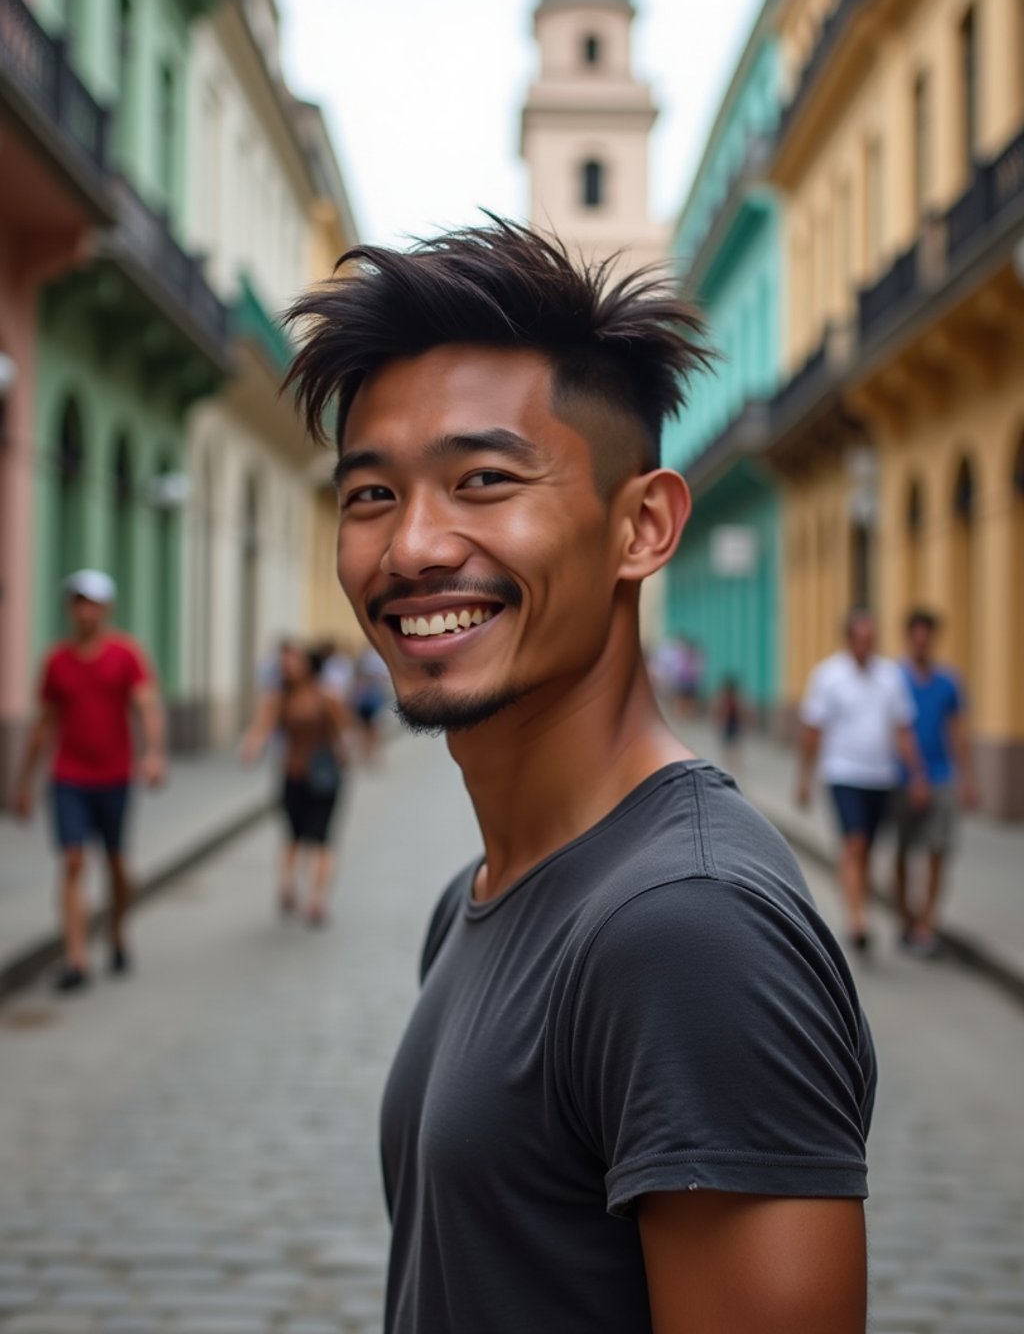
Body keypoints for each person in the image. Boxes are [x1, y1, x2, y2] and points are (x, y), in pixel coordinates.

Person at [285, 218, 876, 1334]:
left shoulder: (687, 930)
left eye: (483, 480)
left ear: (641, 526)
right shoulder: (481, 894)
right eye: (370, 496)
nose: (411, 547)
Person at [13, 569, 166, 991]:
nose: (85, 611)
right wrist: (23, 782)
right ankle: (76, 958)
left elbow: (147, 706)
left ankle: (117, 930)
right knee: (73, 860)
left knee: (116, 864)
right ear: (69, 608)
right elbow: (43, 724)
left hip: (115, 775)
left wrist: (153, 753)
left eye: (93, 603)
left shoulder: (126, 654)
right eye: (78, 602)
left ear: (106, 609)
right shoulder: (56, 661)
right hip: (68, 776)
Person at [797, 608, 927, 953]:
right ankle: (858, 921)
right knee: (854, 843)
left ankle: (859, 904)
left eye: (871, 639)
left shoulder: (890, 676)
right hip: (843, 773)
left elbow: (903, 729)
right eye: (860, 638)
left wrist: (916, 775)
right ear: (849, 639)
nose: (866, 645)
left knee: (867, 847)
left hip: (882, 777)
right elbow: (814, 730)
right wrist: (804, 779)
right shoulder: (828, 676)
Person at [242, 641, 351, 925]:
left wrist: (346, 752)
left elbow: (344, 729)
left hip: (325, 776)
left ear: (307, 664)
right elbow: (263, 726)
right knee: (292, 835)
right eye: (284, 661)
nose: (287, 665)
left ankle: (316, 899)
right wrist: (252, 746)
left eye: (293, 660)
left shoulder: (326, 696)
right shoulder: (278, 698)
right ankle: (288, 885)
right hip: (292, 774)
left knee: (322, 838)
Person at [894, 608, 978, 957]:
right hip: (900, 778)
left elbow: (957, 731)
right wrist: (914, 776)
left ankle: (927, 923)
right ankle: (906, 917)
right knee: (902, 852)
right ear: (909, 637)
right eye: (917, 635)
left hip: (942, 777)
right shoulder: (894, 678)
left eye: (928, 635)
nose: (922, 642)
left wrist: (967, 777)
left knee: (938, 850)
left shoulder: (948, 682)